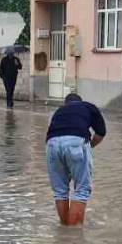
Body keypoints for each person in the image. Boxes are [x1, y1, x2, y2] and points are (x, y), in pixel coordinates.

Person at [46, 93, 106, 226]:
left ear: (65, 104)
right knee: (81, 190)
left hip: (51, 143)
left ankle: (64, 230)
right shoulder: (88, 107)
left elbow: (51, 132)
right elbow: (101, 132)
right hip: (76, 141)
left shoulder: (59, 111)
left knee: (60, 191)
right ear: (80, 101)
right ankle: (73, 238)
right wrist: (89, 147)